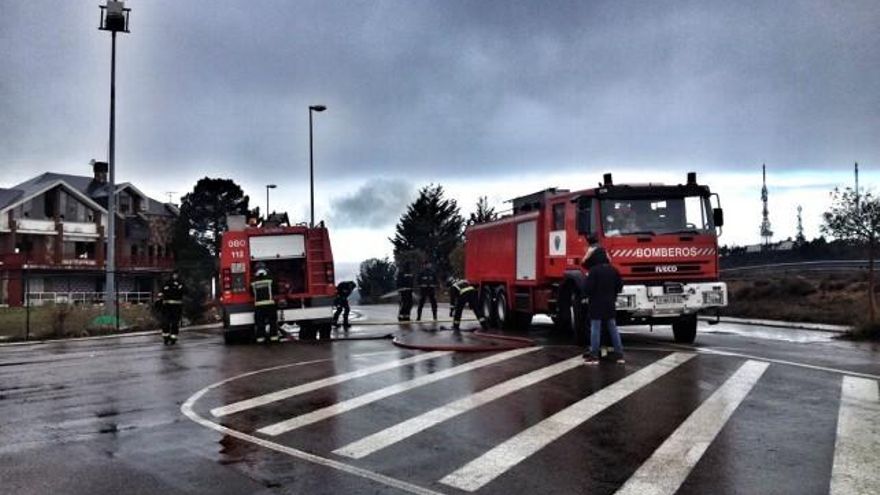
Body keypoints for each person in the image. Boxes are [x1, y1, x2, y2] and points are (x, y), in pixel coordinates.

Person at [582, 246, 625, 364]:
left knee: (595, 328)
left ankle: (594, 355)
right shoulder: (613, 270)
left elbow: (587, 288)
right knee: (613, 328)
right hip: (610, 303)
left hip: (596, 303)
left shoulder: (594, 271)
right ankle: (619, 355)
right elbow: (620, 286)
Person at [251, 264, 279, 344]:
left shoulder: (253, 282)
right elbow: (275, 290)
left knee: (260, 323)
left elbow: (251, 293)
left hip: (258, 306)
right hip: (270, 305)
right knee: (272, 322)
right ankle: (274, 338)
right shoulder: (270, 280)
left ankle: (260, 339)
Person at [158, 270, 185, 345]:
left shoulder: (180, 283)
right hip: (167, 307)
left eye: (176, 275)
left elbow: (185, 291)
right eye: (174, 275)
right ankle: (166, 337)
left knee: (174, 323)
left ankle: (173, 338)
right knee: (165, 323)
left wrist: (180, 288)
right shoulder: (167, 283)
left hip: (176, 307)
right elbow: (161, 291)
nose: (175, 276)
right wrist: (161, 296)